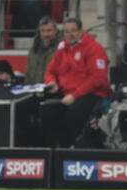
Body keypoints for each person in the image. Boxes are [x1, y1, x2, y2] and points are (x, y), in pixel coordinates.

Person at [41, 18, 111, 148]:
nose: (70, 34)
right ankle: (53, 151)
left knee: (73, 112)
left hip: (91, 94)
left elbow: (97, 78)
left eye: (73, 30)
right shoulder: (63, 48)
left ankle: (74, 149)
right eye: (67, 31)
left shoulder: (94, 48)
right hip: (66, 93)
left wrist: (75, 95)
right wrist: (52, 82)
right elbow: (50, 71)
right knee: (46, 110)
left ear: (80, 31)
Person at [24, 16, 62, 85]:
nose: (46, 34)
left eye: (49, 30)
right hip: (34, 91)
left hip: (54, 92)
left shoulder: (63, 48)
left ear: (56, 31)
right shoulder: (33, 50)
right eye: (43, 31)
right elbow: (28, 73)